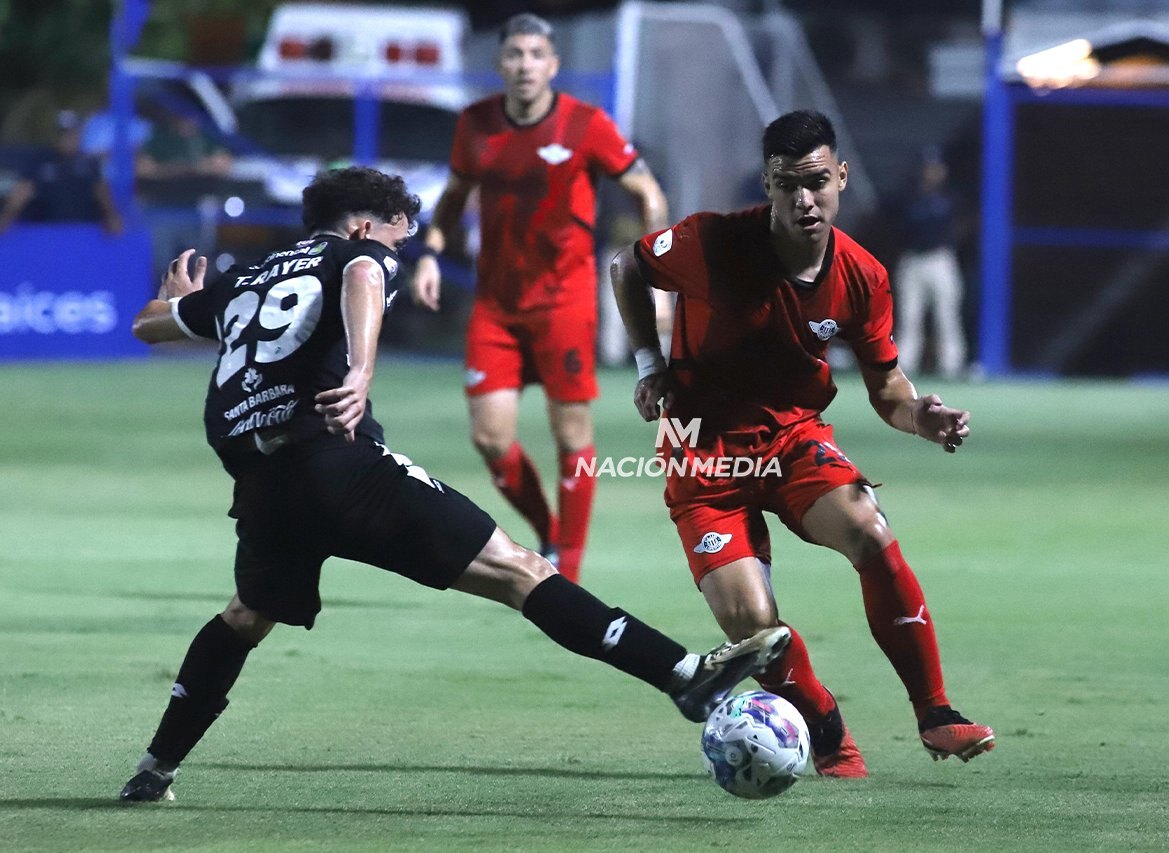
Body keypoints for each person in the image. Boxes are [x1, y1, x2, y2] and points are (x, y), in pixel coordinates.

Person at [118, 165, 789, 803]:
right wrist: (359, 370)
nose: (399, 249)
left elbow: (148, 324)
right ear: (360, 226)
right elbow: (361, 275)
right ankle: (682, 676)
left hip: (264, 486)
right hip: (339, 464)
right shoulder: (353, 256)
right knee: (518, 569)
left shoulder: (248, 277)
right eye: (395, 233)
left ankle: (155, 767)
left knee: (245, 616)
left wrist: (180, 302)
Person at [610, 111, 995, 777]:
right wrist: (650, 366)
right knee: (756, 631)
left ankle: (935, 713)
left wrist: (918, 417)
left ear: (840, 176)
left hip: (792, 441)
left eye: (816, 181)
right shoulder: (712, 242)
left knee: (869, 529)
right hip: (703, 455)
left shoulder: (862, 275)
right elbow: (627, 267)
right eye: (787, 185)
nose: (803, 199)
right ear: (767, 183)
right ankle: (825, 727)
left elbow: (886, 385)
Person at [410, 13, 670, 583]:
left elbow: (646, 190)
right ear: (500, 63)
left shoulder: (585, 124)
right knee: (489, 437)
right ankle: (550, 534)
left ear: (552, 64)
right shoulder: (476, 124)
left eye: (535, 54)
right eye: (514, 55)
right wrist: (429, 251)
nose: (524, 64)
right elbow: (454, 195)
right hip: (496, 305)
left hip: (564, 302)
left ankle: (566, 569)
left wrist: (656, 268)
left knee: (570, 434)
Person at [892, 147, 968, 379]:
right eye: (928, 168)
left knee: (947, 315)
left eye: (935, 168)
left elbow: (964, 225)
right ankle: (905, 366)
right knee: (909, 316)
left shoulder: (950, 197)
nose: (931, 173)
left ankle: (951, 366)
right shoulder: (908, 197)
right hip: (912, 259)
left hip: (940, 259)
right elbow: (895, 229)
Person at [0, 110, 122, 235]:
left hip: (85, 231)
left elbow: (101, 191)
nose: (68, 138)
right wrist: (6, 216)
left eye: (72, 133)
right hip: (49, 232)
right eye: (63, 133)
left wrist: (112, 215)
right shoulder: (41, 161)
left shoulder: (90, 163)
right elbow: (23, 191)